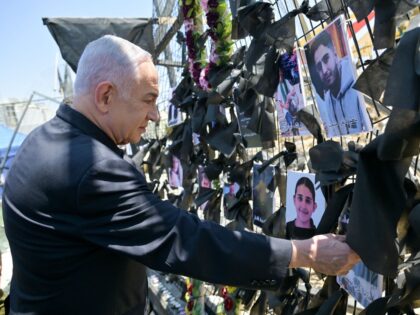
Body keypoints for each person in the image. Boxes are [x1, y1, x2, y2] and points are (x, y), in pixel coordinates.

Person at [3, 35, 359, 315]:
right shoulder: (89, 167)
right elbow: (184, 240)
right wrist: (302, 252)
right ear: (106, 95)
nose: (156, 115)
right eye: (147, 99)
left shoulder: (45, 141)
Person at [309, 29, 369, 137]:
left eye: (326, 59)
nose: (324, 70)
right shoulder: (327, 99)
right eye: (319, 67)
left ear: (335, 54)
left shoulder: (356, 84)